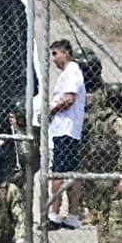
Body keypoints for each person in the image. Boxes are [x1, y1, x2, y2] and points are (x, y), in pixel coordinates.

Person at [81, 82, 122, 243]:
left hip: (97, 177)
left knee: (103, 217)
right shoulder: (121, 123)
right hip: (115, 177)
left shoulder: (96, 120)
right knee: (118, 218)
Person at [46, 39, 87, 230]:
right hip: (67, 130)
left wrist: (52, 111)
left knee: (59, 173)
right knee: (71, 173)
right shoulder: (70, 72)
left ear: (65, 53)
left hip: (66, 129)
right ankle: (72, 215)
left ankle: (54, 214)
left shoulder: (72, 71)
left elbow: (69, 98)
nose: (53, 59)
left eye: (55, 53)